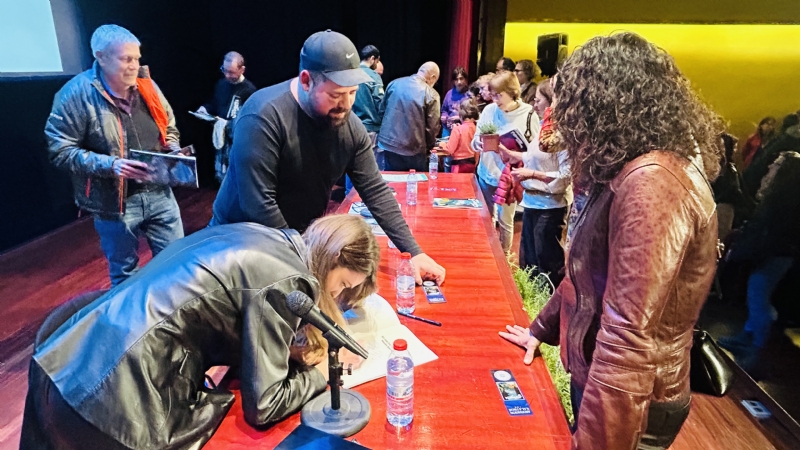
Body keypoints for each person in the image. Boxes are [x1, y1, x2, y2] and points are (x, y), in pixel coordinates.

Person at [499, 32, 724, 449]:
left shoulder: (653, 182)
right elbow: (588, 276)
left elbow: (628, 339)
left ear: (603, 105)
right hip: (612, 389)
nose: (564, 118)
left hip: (633, 403)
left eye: (572, 105)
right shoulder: (628, 164)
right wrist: (541, 329)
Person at [20, 214, 380, 449]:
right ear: (333, 258)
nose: (336, 296)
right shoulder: (290, 281)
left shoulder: (269, 238)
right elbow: (266, 405)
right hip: (112, 400)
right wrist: (320, 373)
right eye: (342, 285)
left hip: (70, 359)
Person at [211, 30, 444, 284]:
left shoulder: (349, 126)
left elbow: (375, 190)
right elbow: (258, 206)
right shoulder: (263, 116)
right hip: (238, 246)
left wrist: (413, 251)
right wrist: (310, 261)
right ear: (306, 81)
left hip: (294, 243)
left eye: (352, 92)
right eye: (335, 95)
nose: (346, 104)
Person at [45, 24, 184, 286]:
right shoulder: (75, 94)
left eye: (137, 58)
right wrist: (111, 165)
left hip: (160, 193)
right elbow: (60, 150)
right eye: (126, 58)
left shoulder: (147, 84)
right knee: (125, 274)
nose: (134, 65)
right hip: (115, 204)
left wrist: (173, 150)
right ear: (101, 57)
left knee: (176, 265)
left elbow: (169, 126)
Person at [720, 152, 800, 373]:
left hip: (775, 254)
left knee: (758, 297)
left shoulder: (785, 199)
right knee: (756, 293)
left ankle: (758, 349)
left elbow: (772, 231)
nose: (770, 166)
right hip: (775, 253)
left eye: (776, 164)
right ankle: (747, 336)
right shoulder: (785, 195)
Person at [499, 81, 569, 286]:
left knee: (546, 268)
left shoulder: (562, 133)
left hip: (549, 207)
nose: (534, 104)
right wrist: (511, 154)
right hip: (531, 203)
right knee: (528, 265)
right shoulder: (544, 127)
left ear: (552, 102)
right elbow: (534, 157)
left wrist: (532, 174)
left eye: (538, 100)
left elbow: (566, 175)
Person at [472, 71, 539, 253]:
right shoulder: (489, 110)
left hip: (510, 176)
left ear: (512, 92)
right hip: (486, 173)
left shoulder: (529, 114)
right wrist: (478, 142)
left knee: (506, 221)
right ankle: (485, 254)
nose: (495, 100)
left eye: (499, 95)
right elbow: (474, 140)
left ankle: (505, 260)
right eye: (493, 95)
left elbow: (535, 149)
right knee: (485, 218)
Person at [197, 51, 257, 183]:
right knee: (222, 178)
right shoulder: (221, 84)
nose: (227, 75)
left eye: (231, 72)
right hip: (222, 141)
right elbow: (215, 103)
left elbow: (250, 120)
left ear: (242, 70)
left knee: (238, 177)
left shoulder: (249, 90)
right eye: (225, 70)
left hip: (236, 141)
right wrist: (205, 109)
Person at [377, 62, 441, 172]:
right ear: (433, 77)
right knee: (416, 184)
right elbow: (432, 128)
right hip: (414, 149)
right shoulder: (431, 94)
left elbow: (381, 111)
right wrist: (429, 148)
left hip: (389, 145)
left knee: (393, 183)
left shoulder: (394, 84)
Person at [351, 45, 385, 174]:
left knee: (352, 165)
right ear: (372, 58)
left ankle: (349, 194)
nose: (376, 64)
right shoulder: (373, 76)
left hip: (351, 126)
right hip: (370, 129)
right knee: (368, 169)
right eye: (377, 61)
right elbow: (380, 103)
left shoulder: (350, 73)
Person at [437, 98, 479, 173]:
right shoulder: (476, 128)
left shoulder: (457, 129)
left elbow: (449, 150)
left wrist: (442, 144)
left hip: (459, 166)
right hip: (472, 165)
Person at [440, 66, 469, 137]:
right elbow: (444, 110)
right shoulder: (449, 94)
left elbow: (473, 115)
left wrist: (459, 117)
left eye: (461, 79)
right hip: (448, 129)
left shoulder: (469, 95)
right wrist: (444, 116)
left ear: (465, 80)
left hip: (462, 129)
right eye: (456, 79)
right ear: (453, 81)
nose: (459, 82)